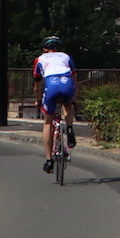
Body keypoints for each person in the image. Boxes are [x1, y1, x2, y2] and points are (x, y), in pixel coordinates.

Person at [33, 36, 77, 172]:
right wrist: (74, 97)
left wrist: (38, 99)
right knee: (68, 104)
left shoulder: (40, 59)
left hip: (51, 86)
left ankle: (49, 160)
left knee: (47, 122)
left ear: (45, 49)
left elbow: (37, 85)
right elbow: (75, 79)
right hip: (67, 83)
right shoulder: (66, 56)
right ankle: (69, 129)